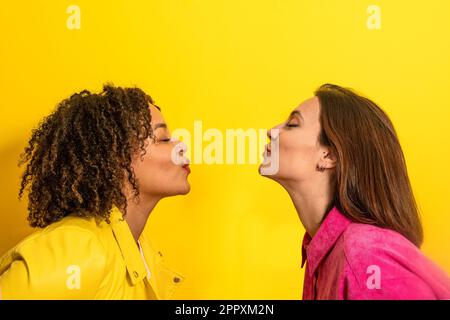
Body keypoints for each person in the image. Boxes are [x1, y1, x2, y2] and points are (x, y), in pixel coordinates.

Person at [259, 83, 450, 299]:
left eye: (292, 124)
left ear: (329, 156)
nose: (272, 130)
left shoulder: (364, 255)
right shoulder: (325, 253)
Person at [0, 84, 190, 299]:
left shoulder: (143, 251)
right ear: (115, 157)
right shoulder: (79, 249)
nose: (181, 146)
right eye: (164, 139)